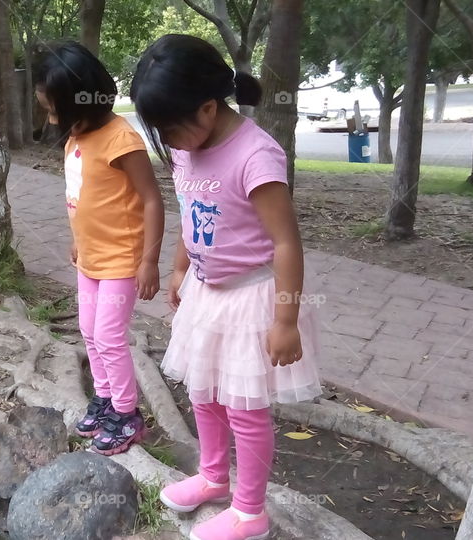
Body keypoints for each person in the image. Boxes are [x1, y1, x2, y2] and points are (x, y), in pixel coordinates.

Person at [131, 34, 323, 540]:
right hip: (205, 292)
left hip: (252, 298)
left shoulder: (255, 155)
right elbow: (193, 216)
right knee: (203, 392)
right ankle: (213, 476)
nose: (168, 141)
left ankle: (250, 510)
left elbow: (286, 242)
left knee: (244, 408)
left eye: (171, 129)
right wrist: (180, 269)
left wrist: (285, 320)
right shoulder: (187, 150)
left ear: (208, 108)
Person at [34, 41, 165, 455]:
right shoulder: (77, 136)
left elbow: (152, 199)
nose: (51, 118)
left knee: (109, 336)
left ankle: (127, 414)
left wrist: (149, 261)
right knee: (89, 332)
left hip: (122, 261)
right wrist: (77, 240)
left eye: (54, 109)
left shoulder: (121, 139)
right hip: (89, 258)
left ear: (81, 101)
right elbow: (80, 196)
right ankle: (106, 397)